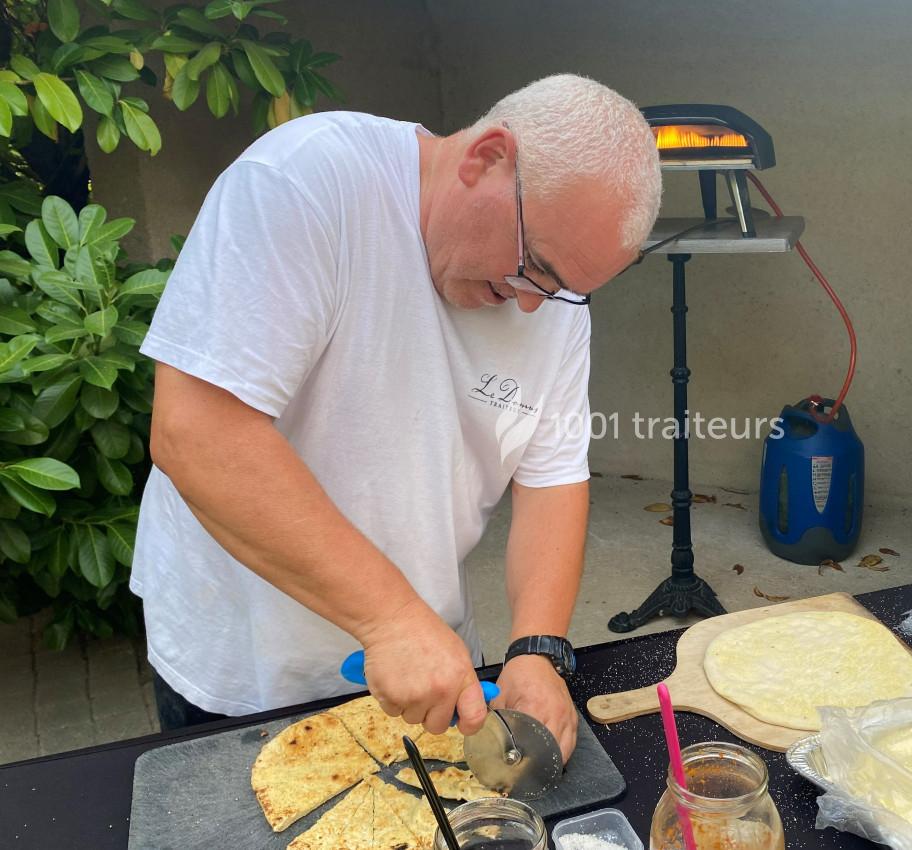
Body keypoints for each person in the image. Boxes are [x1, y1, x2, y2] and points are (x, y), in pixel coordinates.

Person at [131, 74, 662, 761]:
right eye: (534, 267)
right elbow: (197, 433)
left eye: (562, 290)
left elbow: (552, 475)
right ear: (486, 159)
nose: (532, 306)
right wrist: (387, 617)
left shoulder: (553, 299)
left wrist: (537, 647)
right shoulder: (303, 183)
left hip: (431, 663)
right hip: (244, 667)